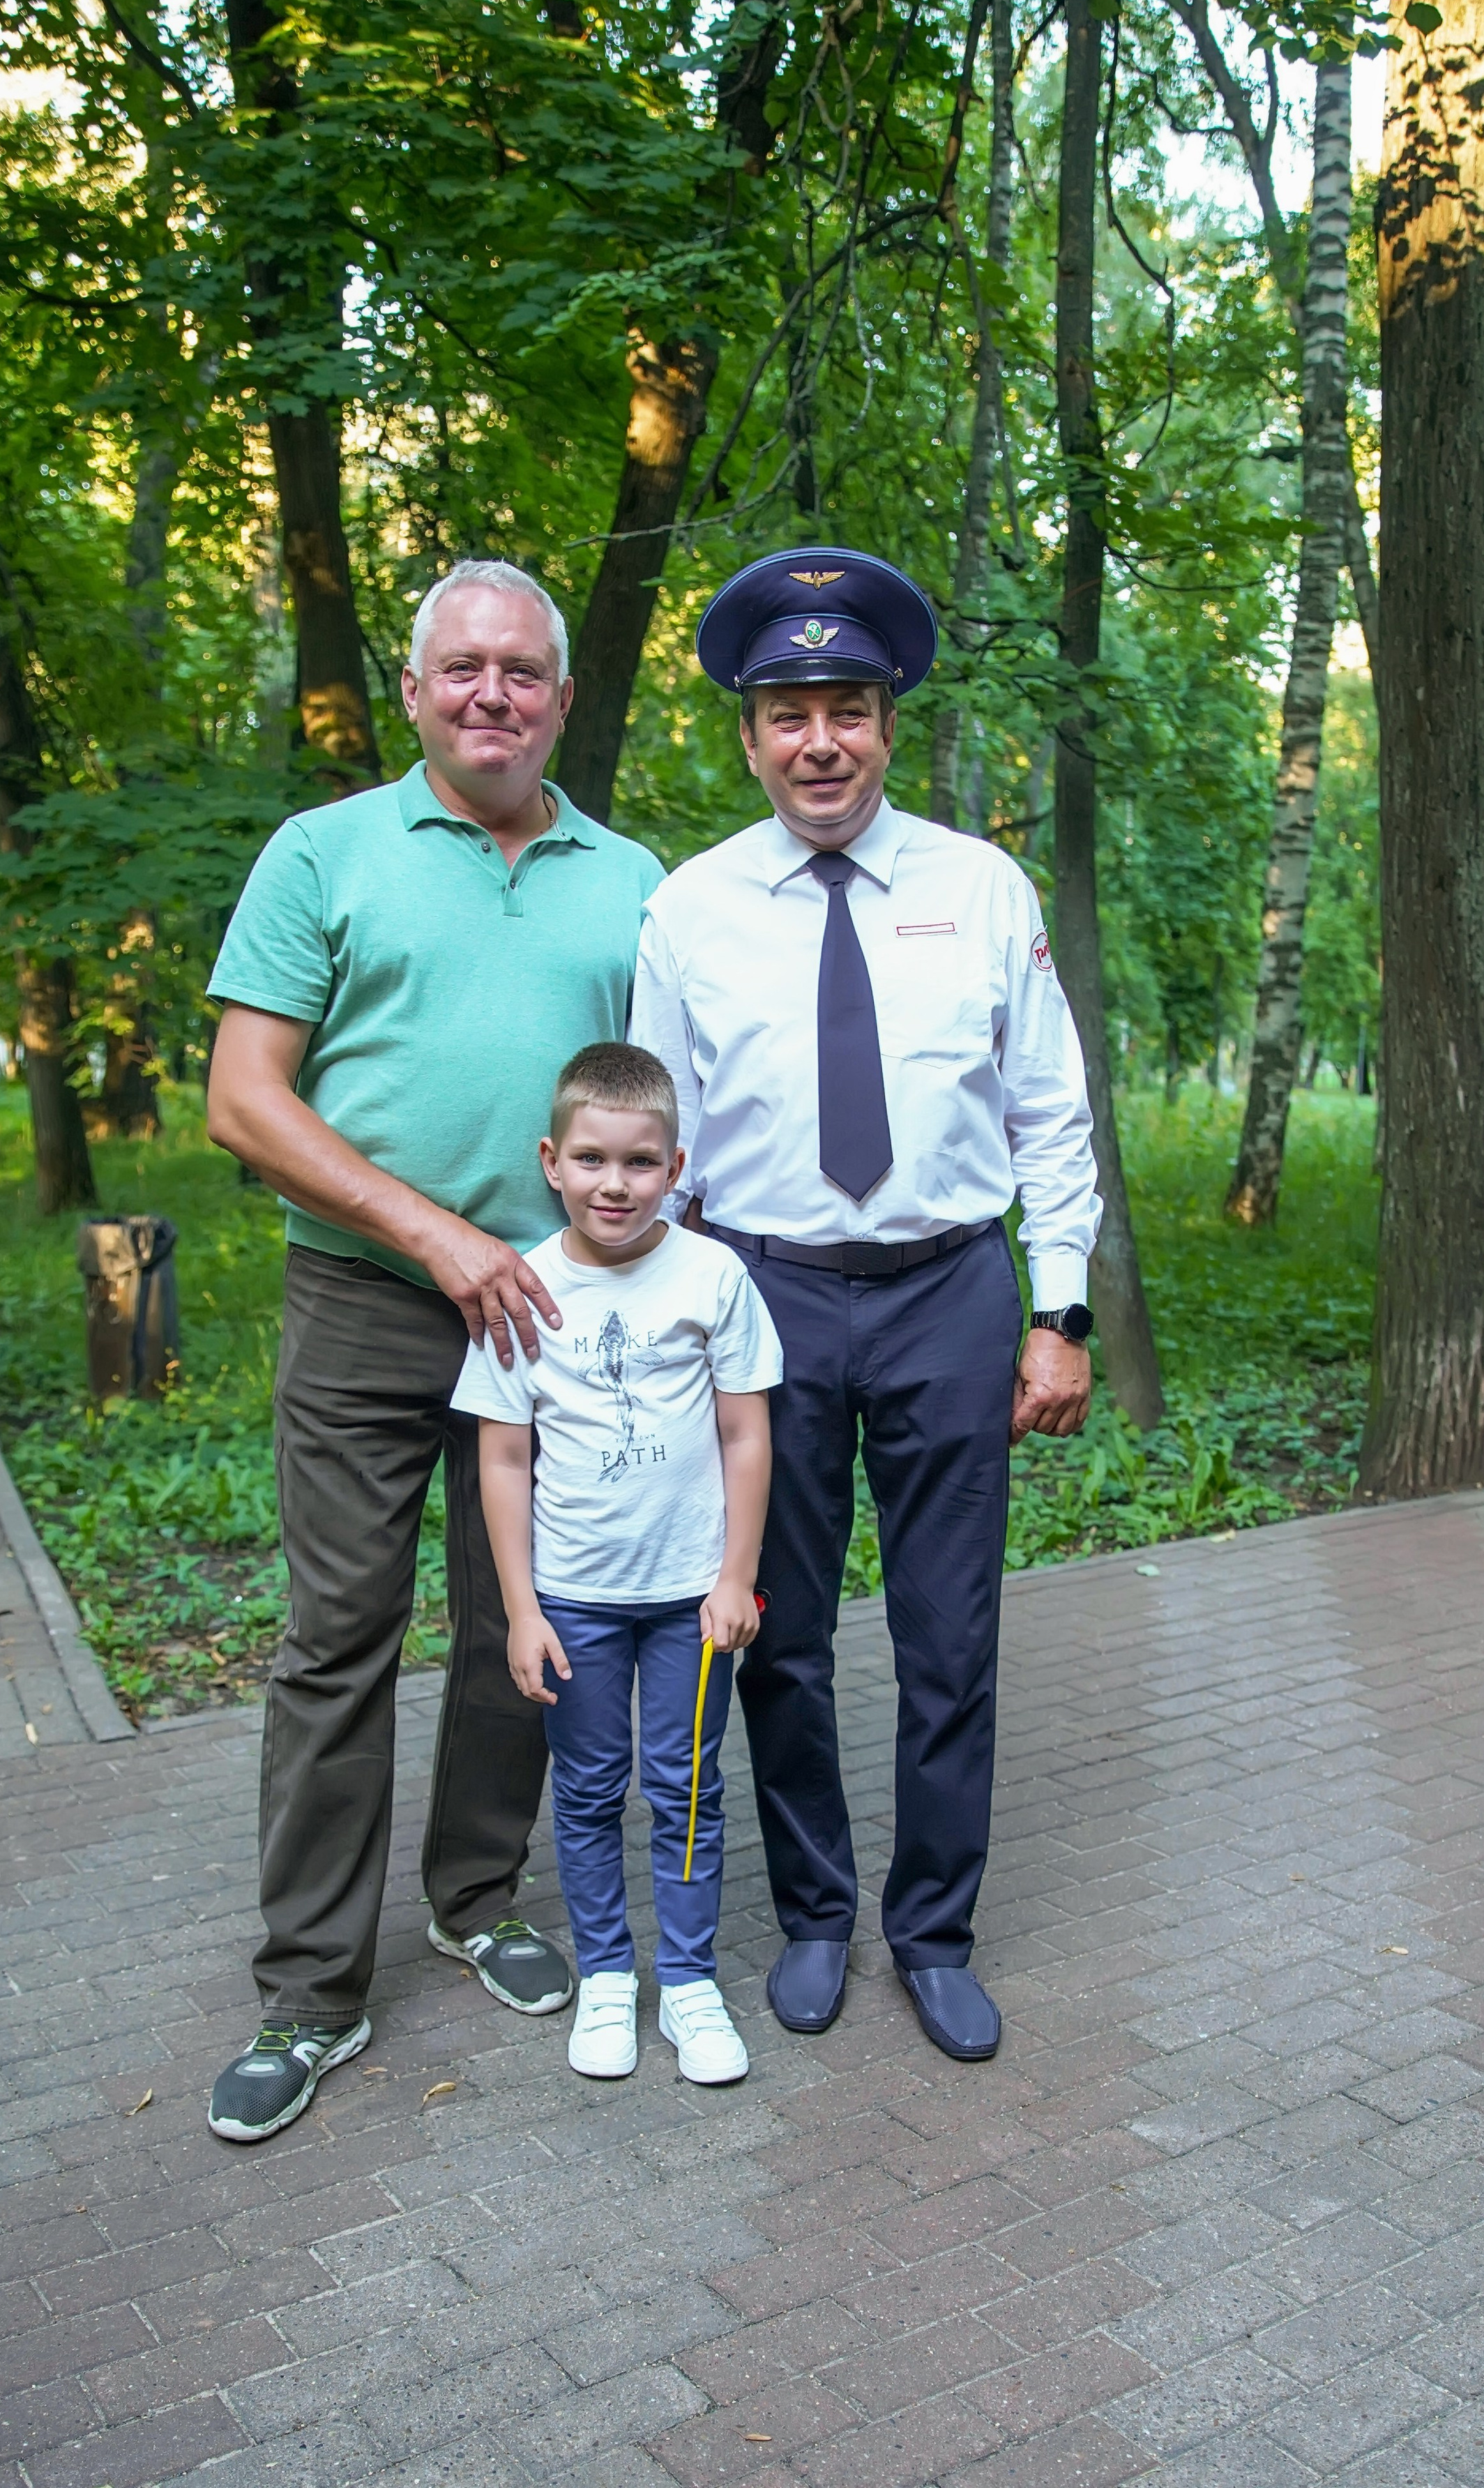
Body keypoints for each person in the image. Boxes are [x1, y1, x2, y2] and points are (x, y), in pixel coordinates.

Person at [203, 561, 665, 2143]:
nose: (491, 693)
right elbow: (244, 1099)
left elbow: (669, 1117)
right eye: (459, 668)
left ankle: (477, 1894)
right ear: (412, 691)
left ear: (559, 694)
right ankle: (310, 1989)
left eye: (520, 670)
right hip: (361, 1298)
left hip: (551, 1314)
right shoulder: (323, 851)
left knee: (515, 1624)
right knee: (335, 1634)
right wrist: (432, 1234)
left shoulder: (632, 880)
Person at [630, 546, 1101, 2058]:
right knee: (771, 1630)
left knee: (948, 1637)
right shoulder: (688, 910)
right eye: (787, 713)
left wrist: (1059, 1307)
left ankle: (934, 1928)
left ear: (887, 721)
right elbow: (663, 1147)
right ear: (749, 734)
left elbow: (1050, 1112)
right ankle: (820, 1913)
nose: (817, 740)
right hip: (764, 1304)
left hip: (950, 1295)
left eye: (845, 706)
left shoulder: (978, 887)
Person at [453, 1041, 780, 2086]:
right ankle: (607, 1977)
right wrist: (521, 1609)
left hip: (690, 1599)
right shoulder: (522, 1290)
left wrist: (735, 1577)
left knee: (687, 1787)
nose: (615, 1183)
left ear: (675, 1167)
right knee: (590, 1791)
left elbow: (746, 1436)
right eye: (591, 1159)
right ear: (552, 1160)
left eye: (641, 1163)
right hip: (576, 1602)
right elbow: (502, 1458)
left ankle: (687, 1982)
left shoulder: (712, 1275)